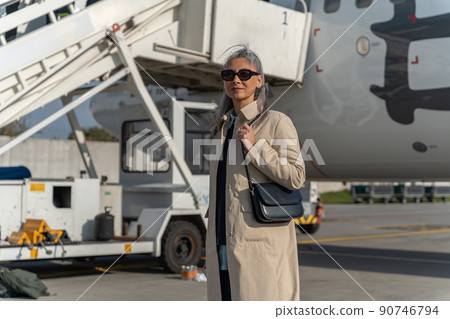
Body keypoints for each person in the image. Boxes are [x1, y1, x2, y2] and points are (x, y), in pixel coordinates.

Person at [204, 47, 306, 301]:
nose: (236, 80)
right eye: (229, 74)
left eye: (245, 73)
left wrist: (255, 146)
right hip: (222, 244)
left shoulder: (276, 122)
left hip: (259, 245)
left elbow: (296, 176)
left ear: (259, 80)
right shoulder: (223, 128)